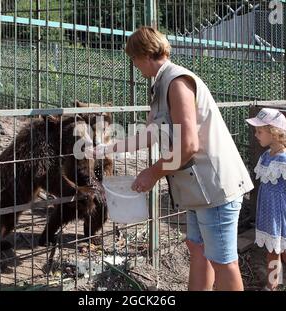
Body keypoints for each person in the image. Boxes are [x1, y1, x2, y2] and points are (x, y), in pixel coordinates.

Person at [91, 26, 253, 291]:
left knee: (223, 261)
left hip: (215, 187)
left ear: (143, 54)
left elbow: (188, 145)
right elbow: (151, 134)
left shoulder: (177, 83)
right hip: (197, 189)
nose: (134, 65)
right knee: (198, 249)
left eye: (133, 59)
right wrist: (108, 148)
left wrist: (153, 173)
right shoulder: (160, 86)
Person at [246, 108, 286, 291]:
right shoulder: (266, 156)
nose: (256, 134)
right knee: (272, 253)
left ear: (274, 133)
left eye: (259, 131)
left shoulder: (285, 159)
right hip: (268, 214)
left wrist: (284, 201)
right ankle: (272, 286)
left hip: (281, 214)